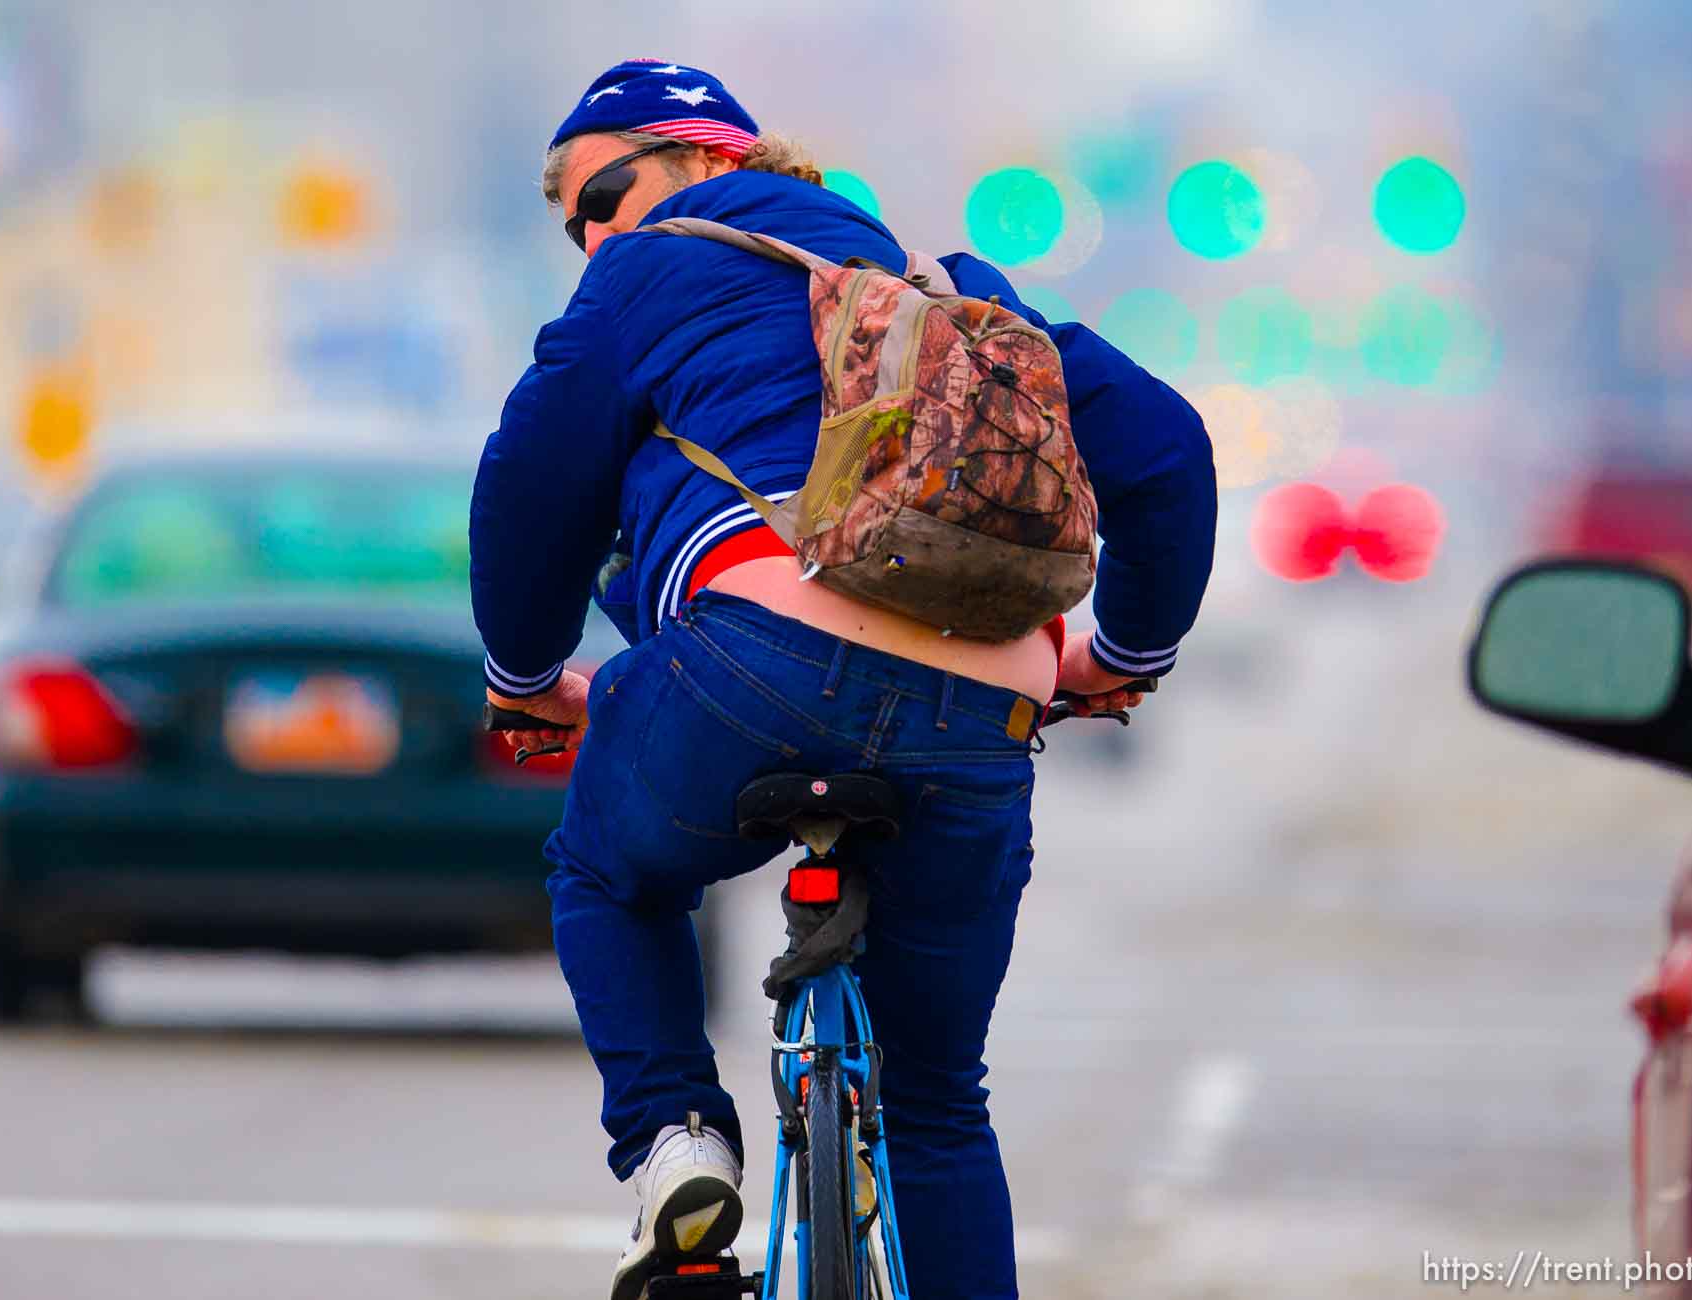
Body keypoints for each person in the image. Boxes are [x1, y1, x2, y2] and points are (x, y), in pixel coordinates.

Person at [469, 59, 1218, 1300]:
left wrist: (525, 674)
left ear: (706, 157)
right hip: (976, 715)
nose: (593, 234)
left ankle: (676, 1148)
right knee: (935, 1104)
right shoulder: (953, 294)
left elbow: (529, 484)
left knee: (604, 867)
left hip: (751, 671)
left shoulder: (654, 272)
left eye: (604, 192)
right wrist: (1119, 657)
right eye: (573, 227)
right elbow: (1168, 452)